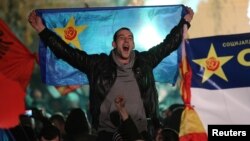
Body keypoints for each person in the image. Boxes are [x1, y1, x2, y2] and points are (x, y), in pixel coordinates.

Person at [28, 6, 194, 141]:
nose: (126, 40)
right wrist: (43, 31)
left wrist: (185, 22)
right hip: (108, 134)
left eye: (130, 37)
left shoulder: (145, 62)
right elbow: (68, 53)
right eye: (122, 37)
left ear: (134, 44)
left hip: (142, 133)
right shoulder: (98, 65)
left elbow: (168, 45)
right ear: (114, 44)